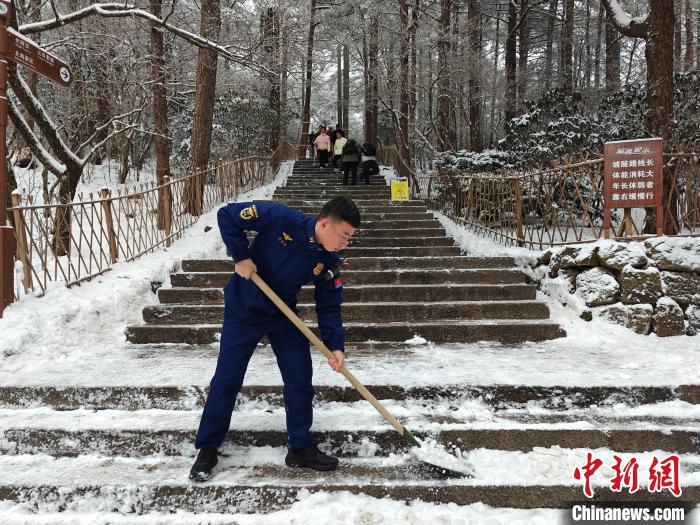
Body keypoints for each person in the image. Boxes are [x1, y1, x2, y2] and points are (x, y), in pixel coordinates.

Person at [189, 197, 361, 482]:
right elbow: (227, 215)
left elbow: (329, 305)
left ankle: (300, 446)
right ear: (324, 223)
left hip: (283, 314)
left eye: (349, 238)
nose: (345, 242)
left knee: (299, 377)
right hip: (244, 308)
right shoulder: (279, 218)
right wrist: (241, 255)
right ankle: (208, 447)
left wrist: (335, 346)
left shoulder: (328, 260)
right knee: (227, 379)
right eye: (343, 235)